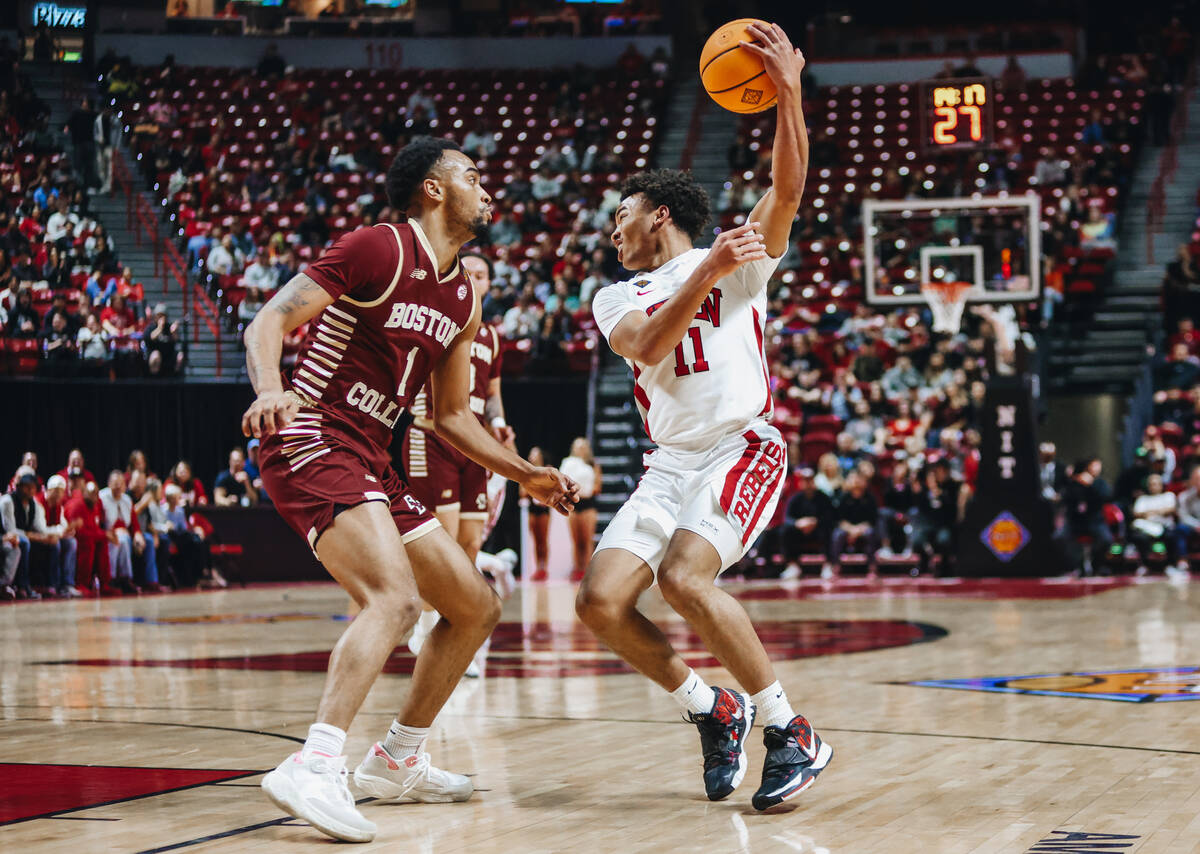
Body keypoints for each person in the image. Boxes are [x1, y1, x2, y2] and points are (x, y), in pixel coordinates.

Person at [240, 136, 578, 843]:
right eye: (472, 176)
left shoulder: (463, 297)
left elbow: (453, 416)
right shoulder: (379, 248)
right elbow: (267, 319)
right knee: (392, 601)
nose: (486, 190)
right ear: (433, 187)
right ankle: (316, 762)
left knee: (474, 605)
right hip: (313, 432)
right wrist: (271, 390)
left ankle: (396, 757)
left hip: (372, 453)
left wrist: (528, 476)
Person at [577, 25, 831, 812]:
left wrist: (788, 89)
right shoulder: (614, 296)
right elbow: (651, 343)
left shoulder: (740, 254)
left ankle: (791, 731)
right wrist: (710, 268)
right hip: (669, 463)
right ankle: (710, 707)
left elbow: (786, 191)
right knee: (598, 603)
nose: (612, 227)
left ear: (659, 213)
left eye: (622, 212)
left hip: (741, 444)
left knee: (687, 578)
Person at [402, 250, 515, 675]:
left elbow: (494, 391)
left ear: (488, 284)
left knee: (470, 543)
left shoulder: (493, 336)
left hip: (474, 442)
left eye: (482, 274)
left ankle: (451, 632)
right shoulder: (434, 322)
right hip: (431, 435)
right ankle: (429, 623)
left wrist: (500, 422)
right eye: (469, 271)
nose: (475, 278)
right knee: (442, 543)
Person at [560, 437, 601, 583]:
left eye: (583, 446)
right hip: (574, 504)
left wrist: (584, 489)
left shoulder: (593, 465)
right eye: (578, 446)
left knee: (587, 540)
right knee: (576, 541)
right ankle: (577, 568)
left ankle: (587, 569)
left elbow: (597, 486)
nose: (580, 449)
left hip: (588, 504)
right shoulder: (568, 463)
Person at [99, 469, 145, 594]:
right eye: (115, 483)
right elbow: (100, 522)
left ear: (125, 485)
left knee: (133, 540)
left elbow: (134, 525)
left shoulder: (127, 500)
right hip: (107, 534)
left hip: (125, 535)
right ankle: (112, 578)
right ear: (109, 484)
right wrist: (111, 532)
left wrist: (138, 535)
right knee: (121, 540)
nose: (118, 486)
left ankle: (127, 579)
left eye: (121, 483)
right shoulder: (101, 498)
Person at [39, 474, 80, 597]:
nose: (59, 495)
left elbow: (63, 526)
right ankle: (53, 585)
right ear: (49, 490)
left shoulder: (58, 506)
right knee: (55, 544)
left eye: (62, 492)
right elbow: (41, 529)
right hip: (39, 537)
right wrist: (61, 531)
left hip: (53, 537)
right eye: (56, 491)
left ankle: (68, 584)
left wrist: (68, 530)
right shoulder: (39, 502)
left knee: (72, 542)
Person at [520, 446, 552, 581]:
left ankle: (544, 567)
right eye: (531, 454)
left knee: (543, 539)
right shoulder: (526, 472)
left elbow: (550, 489)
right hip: (532, 509)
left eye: (535, 454)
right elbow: (522, 493)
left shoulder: (547, 469)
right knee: (535, 540)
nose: (532, 456)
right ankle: (537, 567)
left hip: (544, 508)